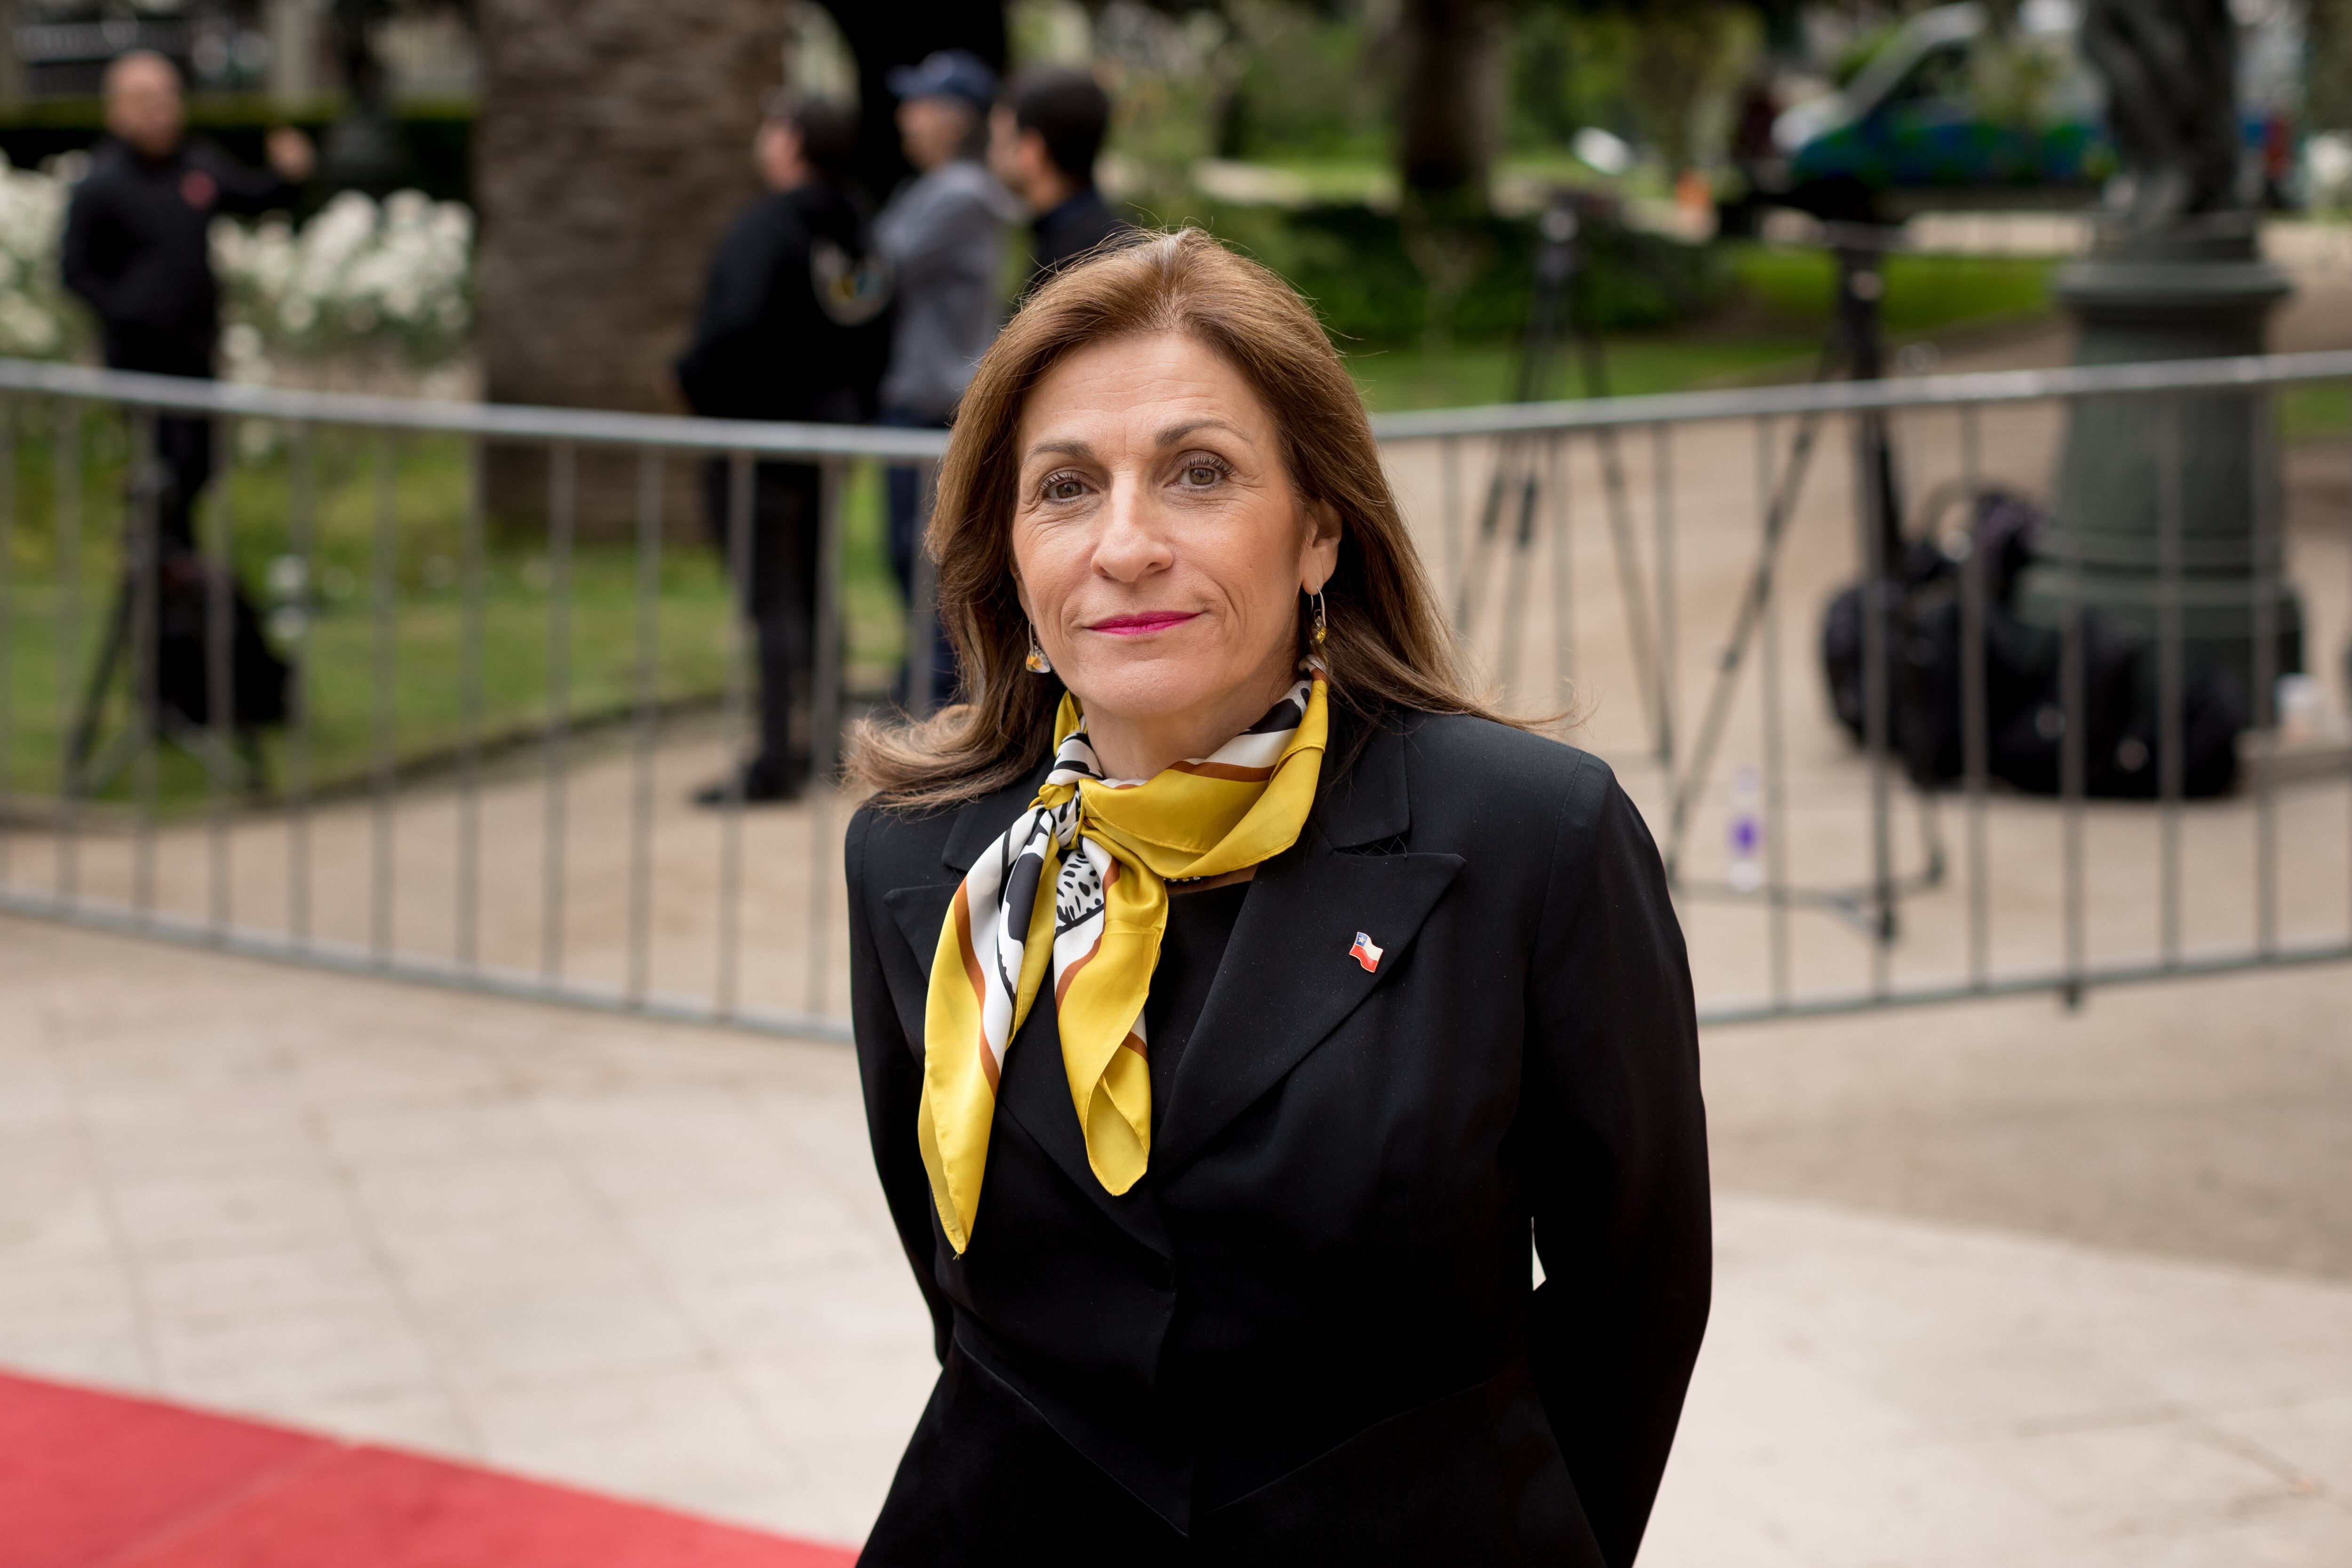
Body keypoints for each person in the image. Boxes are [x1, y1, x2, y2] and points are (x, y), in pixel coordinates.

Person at [843, 231, 1710, 1564]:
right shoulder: (915, 857)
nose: (1124, 545)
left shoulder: (1536, 834)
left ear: (1320, 529)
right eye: (1066, 487)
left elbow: (1635, 1286)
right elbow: (956, 1283)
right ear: (1008, 558)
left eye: (1199, 474)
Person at [675, 95, 890, 805]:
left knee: (776, 601)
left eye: (770, 124)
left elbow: (730, 329)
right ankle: (823, 746)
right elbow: (870, 321)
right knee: (813, 593)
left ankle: (776, 758)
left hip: (758, 445)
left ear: (791, 141)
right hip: (826, 440)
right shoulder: (858, 231)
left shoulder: (767, 226)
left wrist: (696, 385)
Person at [62, 50, 312, 549]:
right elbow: (74, 270)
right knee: (167, 466)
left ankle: (173, 570)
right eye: (145, 99)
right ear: (117, 110)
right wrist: (127, 310)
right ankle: (165, 568)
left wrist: (288, 175)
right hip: (139, 359)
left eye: (169, 96)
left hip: (196, 352)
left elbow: (254, 198)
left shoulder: (196, 165)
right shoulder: (102, 183)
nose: (162, 109)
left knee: (199, 466)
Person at [874, 48, 1017, 710]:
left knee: (930, 563)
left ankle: (945, 706)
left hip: (936, 407)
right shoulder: (927, 191)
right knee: (908, 558)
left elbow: (872, 272)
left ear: (957, 118)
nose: (906, 118)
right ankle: (932, 691)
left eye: (921, 105)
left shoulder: (959, 194)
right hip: (918, 401)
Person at [990, 65, 1135, 294]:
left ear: (1030, 153)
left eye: (998, 140)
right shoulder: (1116, 242)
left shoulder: (1069, 268)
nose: (992, 155)